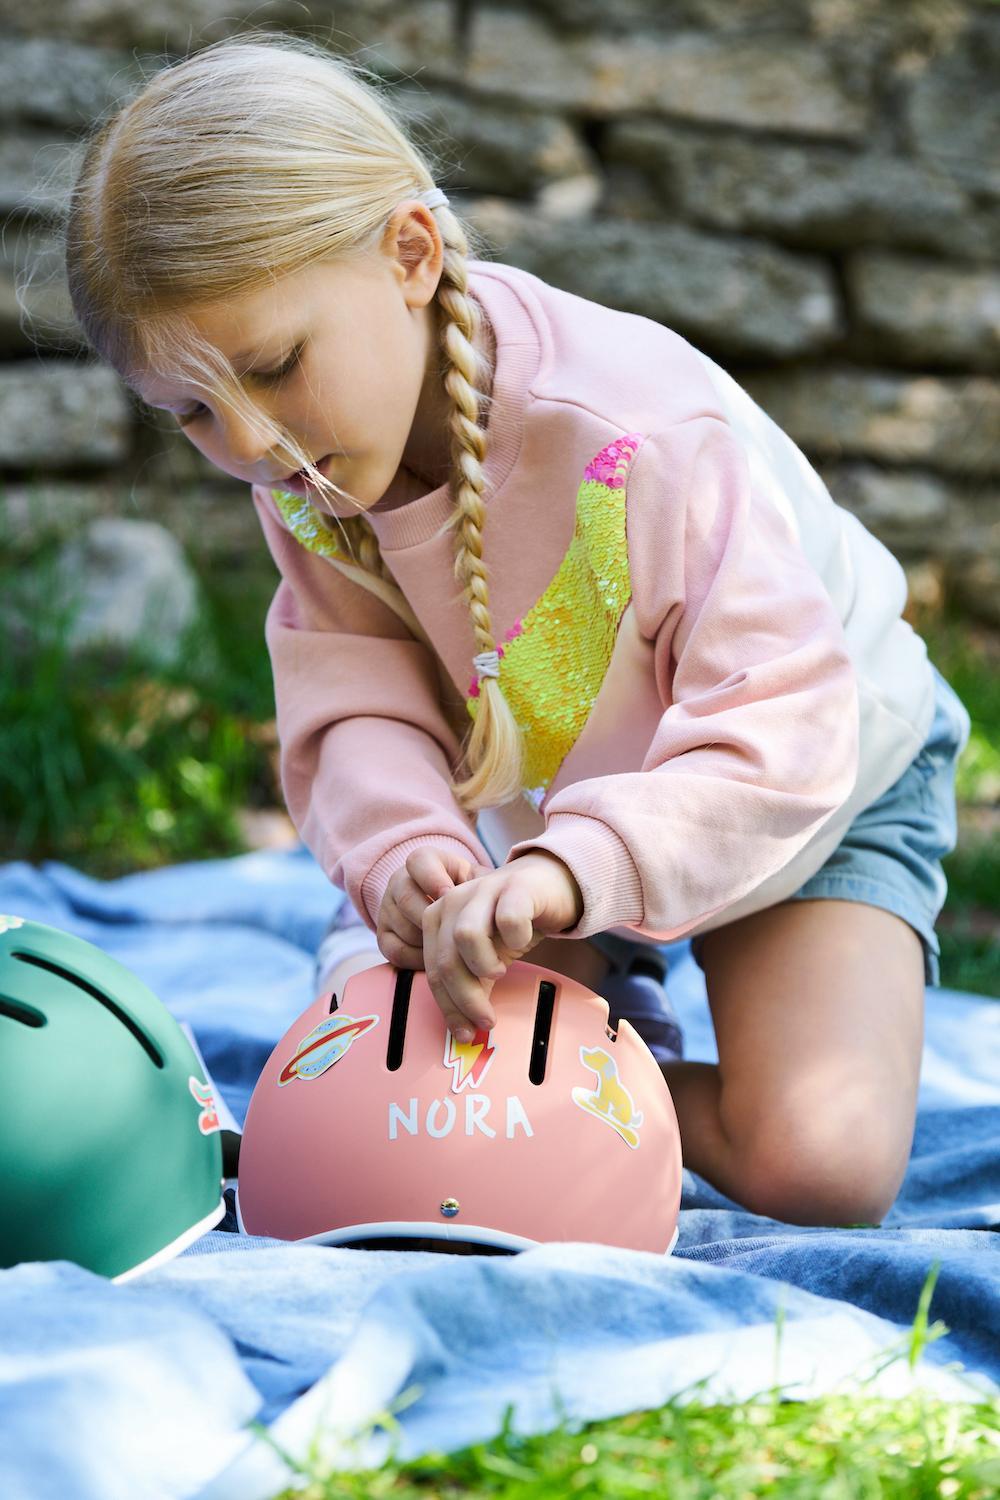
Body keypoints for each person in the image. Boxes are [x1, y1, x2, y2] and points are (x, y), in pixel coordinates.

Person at [64, 31, 970, 1229]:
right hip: (537, 827)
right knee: (394, 1120)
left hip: (802, 793)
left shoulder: (635, 434)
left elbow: (782, 723)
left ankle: (600, 1067)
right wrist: (408, 856)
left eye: (274, 366)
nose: (244, 445)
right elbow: (357, 699)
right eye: (187, 410)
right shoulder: (305, 470)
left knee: (820, 1165)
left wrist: (575, 871)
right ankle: (582, 1018)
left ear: (410, 253)